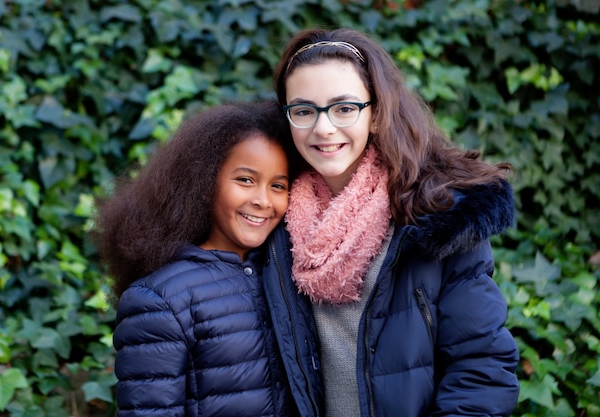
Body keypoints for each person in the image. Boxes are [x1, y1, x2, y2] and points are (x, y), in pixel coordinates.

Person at [262, 28, 520, 417]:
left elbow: (482, 370)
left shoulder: (435, 219)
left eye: (344, 108)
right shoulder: (271, 218)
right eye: (304, 110)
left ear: (377, 114)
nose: (323, 128)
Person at [93, 100, 300, 416]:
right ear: (205, 184)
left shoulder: (286, 274)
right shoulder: (159, 299)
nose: (262, 200)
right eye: (245, 180)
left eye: (278, 186)